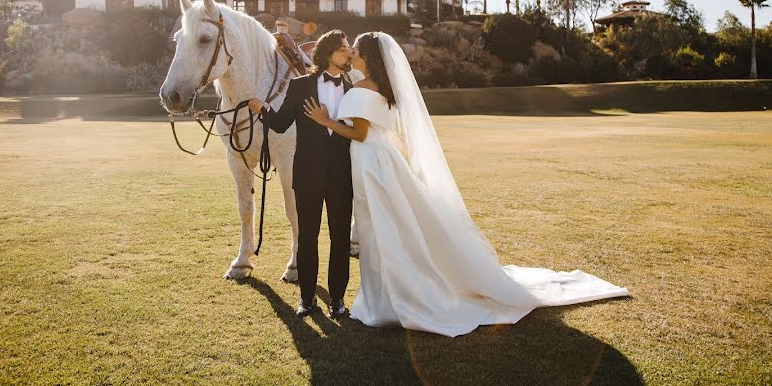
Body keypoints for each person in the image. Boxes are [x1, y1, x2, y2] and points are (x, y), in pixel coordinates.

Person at [302, 32, 629, 337]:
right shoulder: (383, 87)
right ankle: (390, 291)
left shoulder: (361, 89)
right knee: (395, 224)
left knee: (381, 228)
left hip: (371, 161)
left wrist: (326, 121)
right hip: (383, 158)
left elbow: (359, 133)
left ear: (369, 57)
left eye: (356, 50)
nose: (352, 54)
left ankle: (388, 299)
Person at [248, 29, 354, 319]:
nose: (349, 53)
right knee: (307, 237)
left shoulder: (353, 89)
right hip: (307, 173)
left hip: (342, 176)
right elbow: (281, 124)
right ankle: (307, 299)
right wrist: (263, 109)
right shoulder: (299, 86)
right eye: (344, 49)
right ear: (328, 53)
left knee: (340, 238)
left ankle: (338, 300)